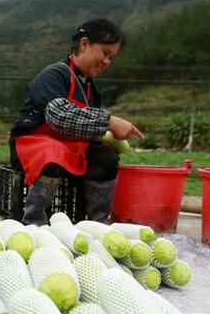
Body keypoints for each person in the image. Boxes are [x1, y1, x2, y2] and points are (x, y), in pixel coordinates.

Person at [9, 18, 143, 225]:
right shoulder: (54, 75)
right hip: (32, 146)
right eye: (105, 53)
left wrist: (103, 139)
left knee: (105, 158)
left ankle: (99, 224)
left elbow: (85, 129)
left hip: (70, 147)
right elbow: (58, 116)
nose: (107, 62)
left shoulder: (91, 90)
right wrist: (108, 121)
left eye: (112, 58)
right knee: (53, 152)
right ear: (84, 44)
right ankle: (33, 223)